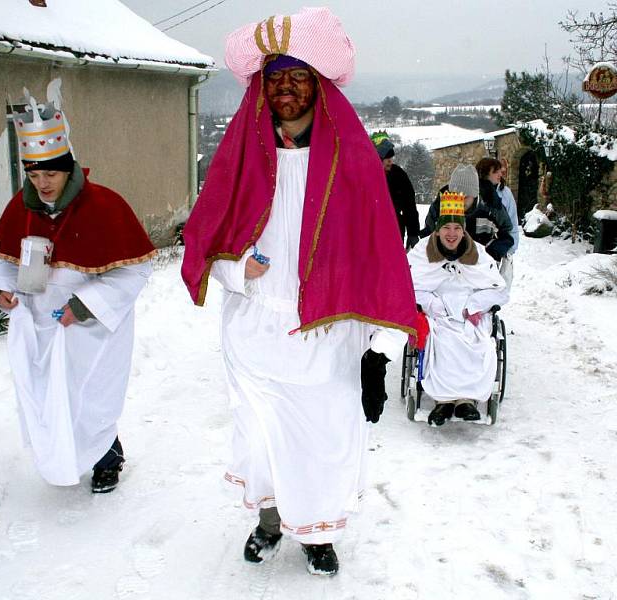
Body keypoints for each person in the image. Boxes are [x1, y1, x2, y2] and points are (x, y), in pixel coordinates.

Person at [180, 8, 415, 577]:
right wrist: (239, 273)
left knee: (321, 438)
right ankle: (268, 521)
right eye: (275, 78)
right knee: (262, 439)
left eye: (298, 76)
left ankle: (318, 533)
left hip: (325, 334)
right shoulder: (241, 156)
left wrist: (372, 341)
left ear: (318, 86)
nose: (285, 89)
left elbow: (373, 249)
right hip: (256, 329)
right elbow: (205, 239)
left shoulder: (352, 161)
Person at [0, 86, 156, 493]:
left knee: (90, 397)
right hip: (39, 325)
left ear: (69, 169)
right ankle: (60, 455)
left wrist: (82, 307)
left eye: (50, 173)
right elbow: (6, 263)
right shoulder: (20, 208)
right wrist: (1, 290)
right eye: (33, 174)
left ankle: (106, 457)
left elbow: (134, 271)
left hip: (90, 328)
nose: (42, 183)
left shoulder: (105, 206)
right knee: (48, 396)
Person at [407, 191, 508, 426]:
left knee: (480, 343)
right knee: (439, 341)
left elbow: (499, 290)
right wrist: (432, 304)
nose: (451, 234)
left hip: (470, 313)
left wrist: (475, 306)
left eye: (457, 228)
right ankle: (443, 402)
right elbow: (406, 286)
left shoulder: (477, 254)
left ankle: (466, 401)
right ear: (438, 229)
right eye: (446, 228)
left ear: (463, 231)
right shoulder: (422, 252)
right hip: (437, 312)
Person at [420, 163, 514, 263]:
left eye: (465, 196)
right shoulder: (439, 206)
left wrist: (491, 253)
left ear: (474, 194)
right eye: (456, 195)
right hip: (446, 267)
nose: (460, 200)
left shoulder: (492, 207)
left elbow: (507, 234)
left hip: (480, 265)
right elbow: (428, 233)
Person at [371, 131, 420, 249]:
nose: (390, 161)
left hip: (395, 229)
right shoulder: (366, 176)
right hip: (370, 231)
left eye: (391, 157)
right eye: (386, 158)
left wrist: (413, 233)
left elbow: (410, 205)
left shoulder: (399, 174)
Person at [496, 157, 520, 289]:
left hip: (500, 246)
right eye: (498, 170)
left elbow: (512, 220)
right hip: (481, 248)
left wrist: (511, 247)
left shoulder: (506, 193)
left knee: (498, 285)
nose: (502, 173)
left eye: (503, 170)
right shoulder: (477, 192)